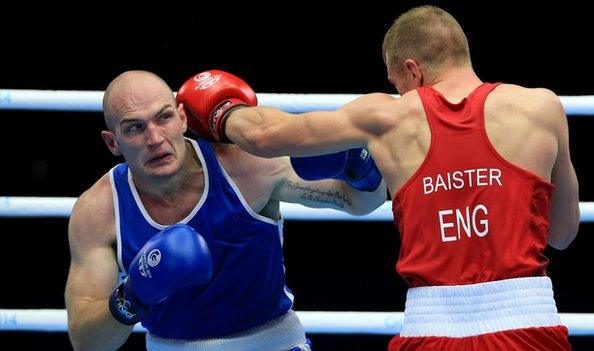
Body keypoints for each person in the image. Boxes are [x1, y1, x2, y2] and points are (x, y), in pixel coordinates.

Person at [175, 5, 580, 350]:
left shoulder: (386, 117)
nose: (398, 92)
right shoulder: (543, 107)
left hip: (432, 327)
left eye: (396, 82)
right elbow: (562, 233)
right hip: (530, 320)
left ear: (411, 70)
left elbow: (265, 135)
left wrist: (219, 108)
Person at [64, 70, 387, 351]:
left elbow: (359, 203)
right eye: (134, 127)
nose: (154, 138)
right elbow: (87, 342)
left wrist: (358, 170)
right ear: (113, 143)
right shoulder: (99, 210)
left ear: (182, 118)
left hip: (274, 343)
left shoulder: (247, 165)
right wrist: (132, 297)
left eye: (163, 117)